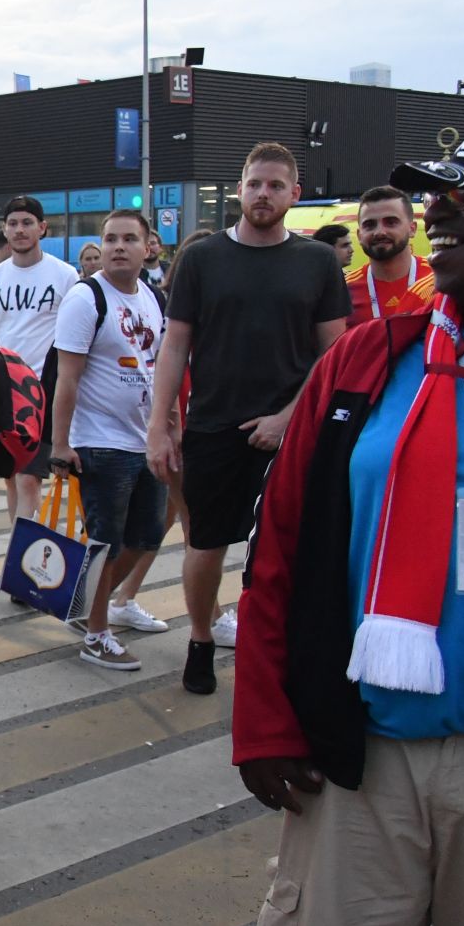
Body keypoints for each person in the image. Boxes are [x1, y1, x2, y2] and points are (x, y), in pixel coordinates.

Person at [232, 146, 464, 926]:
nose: (437, 213)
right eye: (439, 197)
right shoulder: (373, 359)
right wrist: (268, 721)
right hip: (357, 747)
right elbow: (281, 544)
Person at [147, 142, 350, 696]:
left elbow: (334, 354)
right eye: (255, 184)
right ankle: (200, 639)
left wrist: (288, 417)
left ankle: (275, 646)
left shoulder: (316, 262)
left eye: (276, 186)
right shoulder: (202, 258)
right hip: (214, 426)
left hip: (294, 431)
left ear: (295, 194)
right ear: (239, 188)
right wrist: (159, 426)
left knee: (288, 547)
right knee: (205, 544)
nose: (264, 194)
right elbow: (174, 347)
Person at [47, 209, 171, 671]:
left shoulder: (151, 298)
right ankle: (96, 633)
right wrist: (60, 444)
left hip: (144, 439)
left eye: (129, 239)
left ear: (147, 246)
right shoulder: (86, 297)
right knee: (106, 542)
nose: (119, 246)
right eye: (111, 238)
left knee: (147, 535)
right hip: (100, 442)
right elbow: (67, 378)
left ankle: (85, 605)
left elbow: (157, 367)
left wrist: (168, 424)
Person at [0, 195, 79, 526]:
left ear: (42, 228)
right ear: (5, 231)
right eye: (12, 224)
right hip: (5, 392)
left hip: (44, 389)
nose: (19, 230)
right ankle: (19, 557)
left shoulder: (66, 276)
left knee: (28, 479)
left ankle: (23, 564)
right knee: (12, 477)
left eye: (26, 223)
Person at [343, 185, 434, 328]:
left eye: (391, 222)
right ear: (360, 235)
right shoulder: (345, 289)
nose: (380, 232)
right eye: (370, 225)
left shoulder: (437, 280)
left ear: (412, 229)